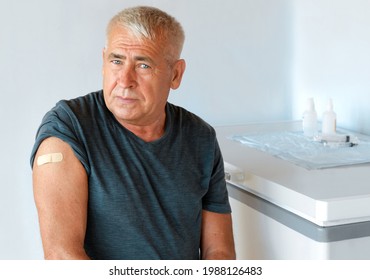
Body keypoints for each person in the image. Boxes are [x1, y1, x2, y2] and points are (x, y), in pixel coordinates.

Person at [30, 6, 235, 260]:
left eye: (143, 65)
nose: (125, 80)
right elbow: (62, 257)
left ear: (176, 74)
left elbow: (220, 251)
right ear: (104, 62)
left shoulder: (201, 138)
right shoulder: (69, 127)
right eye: (116, 61)